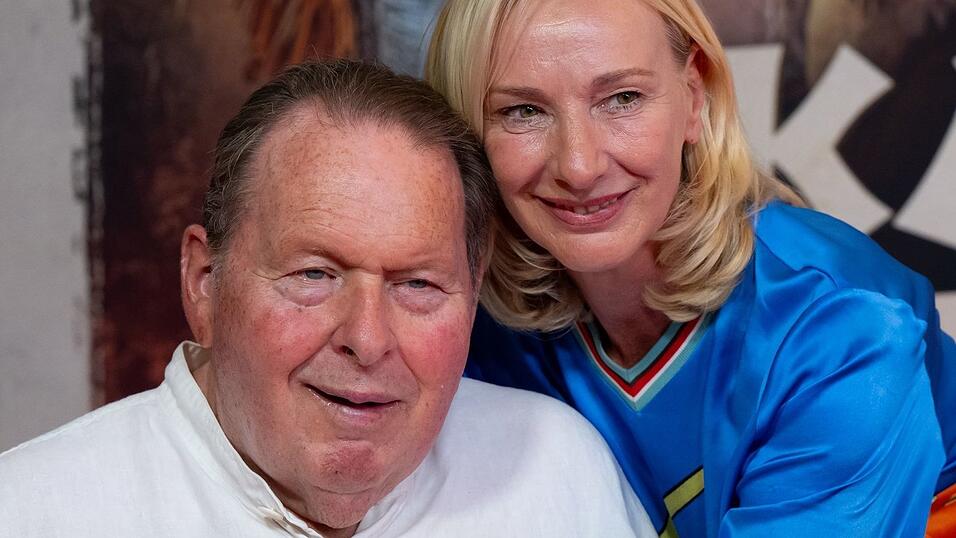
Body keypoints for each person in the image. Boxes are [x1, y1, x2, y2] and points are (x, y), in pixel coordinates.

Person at [0, 59, 655, 537]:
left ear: (472, 288)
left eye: (418, 284)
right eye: (314, 275)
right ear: (204, 282)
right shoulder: (32, 511)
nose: (367, 340)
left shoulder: (556, 473)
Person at [426, 0, 956, 536]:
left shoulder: (842, 322)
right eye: (523, 111)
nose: (579, 167)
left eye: (623, 98)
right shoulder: (470, 327)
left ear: (694, 96)